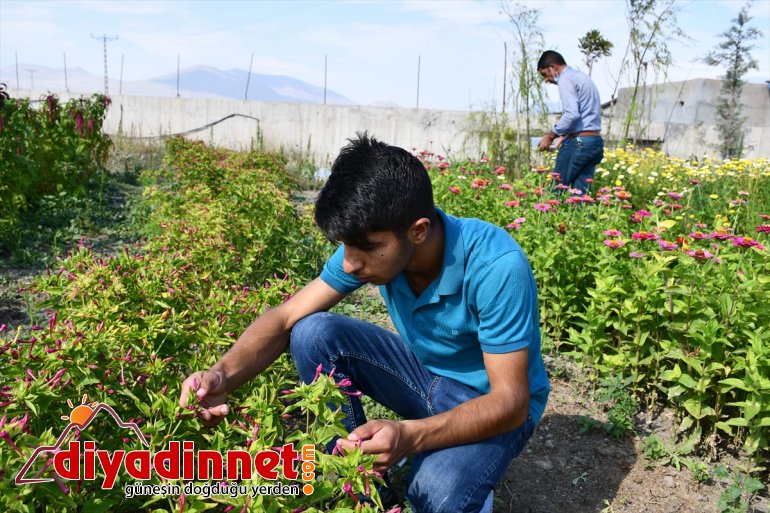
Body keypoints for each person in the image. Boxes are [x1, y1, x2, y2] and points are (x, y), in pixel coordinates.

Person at [179, 133, 550, 513]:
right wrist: (221, 375)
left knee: (435, 493)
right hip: (426, 378)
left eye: (367, 249)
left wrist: (410, 435)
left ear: (418, 231)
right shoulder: (373, 245)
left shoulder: (496, 266)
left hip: (491, 405)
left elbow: (511, 403)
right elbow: (286, 317)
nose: (351, 265)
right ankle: (358, 479)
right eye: (347, 247)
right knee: (313, 332)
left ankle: (450, 468)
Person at [537, 50, 604, 194]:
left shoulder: (565, 79)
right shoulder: (580, 77)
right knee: (581, 197)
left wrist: (550, 136)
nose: (546, 79)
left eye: (545, 74)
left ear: (553, 67)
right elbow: (584, 115)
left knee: (556, 190)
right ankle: (583, 217)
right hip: (593, 141)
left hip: (579, 143)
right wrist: (564, 135)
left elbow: (572, 114)